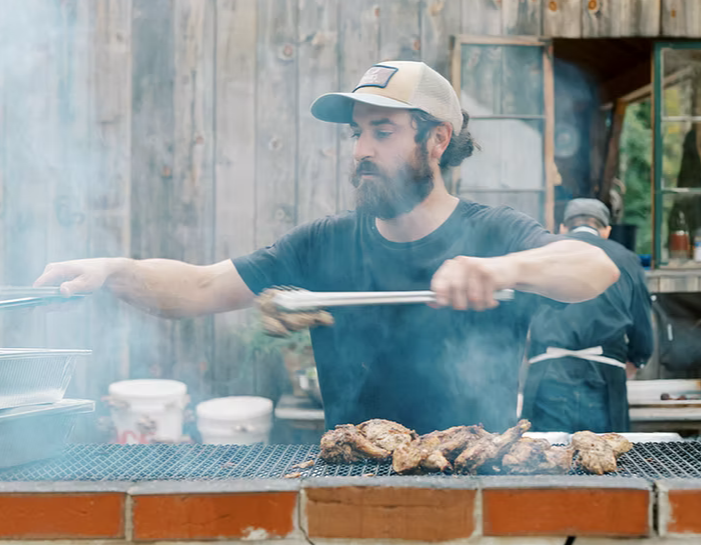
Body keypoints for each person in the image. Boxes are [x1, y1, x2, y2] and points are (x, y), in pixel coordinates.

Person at [36, 61, 619, 434]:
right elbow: (200, 286)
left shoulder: (495, 234)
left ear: (437, 140)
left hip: (474, 490)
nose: (361, 149)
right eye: (356, 132)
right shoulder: (323, 244)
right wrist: (112, 270)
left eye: (382, 132)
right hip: (350, 487)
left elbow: (592, 267)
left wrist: (502, 269)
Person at [521, 198, 653, 433]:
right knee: (608, 451)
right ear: (606, 230)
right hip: (605, 374)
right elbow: (642, 325)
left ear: (563, 227)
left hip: (546, 374)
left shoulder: (541, 254)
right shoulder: (626, 259)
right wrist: (637, 359)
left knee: (541, 451)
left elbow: (521, 313)